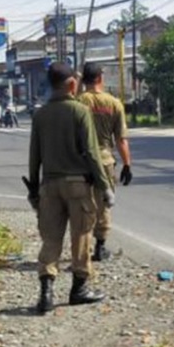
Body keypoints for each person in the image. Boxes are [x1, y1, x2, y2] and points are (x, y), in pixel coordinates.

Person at [27, 62, 113, 314]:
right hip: (78, 185)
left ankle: (46, 292)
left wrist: (33, 189)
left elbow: (35, 155)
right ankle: (79, 289)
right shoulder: (79, 111)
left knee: (50, 239)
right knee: (81, 237)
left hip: (49, 186)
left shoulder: (40, 115)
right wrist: (105, 186)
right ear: (72, 85)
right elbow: (91, 152)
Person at [77, 62, 133, 262]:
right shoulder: (114, 103)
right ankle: (100, 247)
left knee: (83, 205)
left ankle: (82, 249)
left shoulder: (79, 101)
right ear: (100, 78)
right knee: (103, 205)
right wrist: (127, 164)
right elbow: (121, 139)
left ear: (84, 80)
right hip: (105, 160)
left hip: (81, 160)